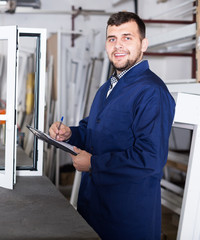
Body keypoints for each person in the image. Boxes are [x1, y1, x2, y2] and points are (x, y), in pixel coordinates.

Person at [49, 12, 175, 239]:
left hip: (126, 220)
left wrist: (93, 164)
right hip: (95, 210)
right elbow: (92, 133)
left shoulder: (151, 91)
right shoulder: (107, 87)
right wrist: (70, 134)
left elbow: (150, 159)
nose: (118, 45)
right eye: (112, 39)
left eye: (127, 38)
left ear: (143, 44)